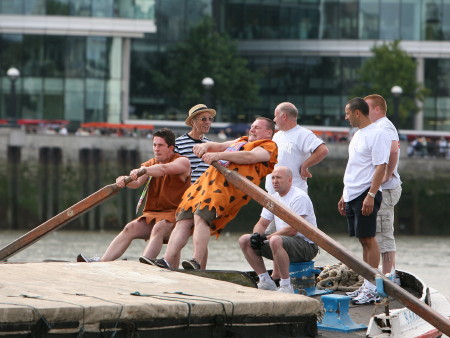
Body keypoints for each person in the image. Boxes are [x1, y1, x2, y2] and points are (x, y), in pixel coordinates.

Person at [149, 117, 278, 270]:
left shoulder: (268, 146)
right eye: (252, 126)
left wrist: (218, 155)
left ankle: (196, 260)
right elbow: (218, 145)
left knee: (201, 216)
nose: (252, 129)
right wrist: (205, 147)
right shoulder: (242, 141)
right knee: (183, 219)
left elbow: (251, 156)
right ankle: (167, 260)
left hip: (228, 187)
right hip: (205, 183)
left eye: (257, 127)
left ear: (269, 132)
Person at [77, 128, 191, 263]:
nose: (156, 149)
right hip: (154, 214)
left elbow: (163, 169)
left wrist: (142, 170)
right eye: (154, 145)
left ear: (171, 148)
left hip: (177, 216)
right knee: (130, 228)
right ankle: (102, 262)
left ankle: (145, 264)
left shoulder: (182, 162)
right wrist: (124, 180)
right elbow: (136, 183)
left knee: (159, 228)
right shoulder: (151, 163)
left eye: (160, 145)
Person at [337, 97, 390, 305]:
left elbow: (381, 166)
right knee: (362, 239)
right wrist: (344, 193)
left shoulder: (377, 134)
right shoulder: (358, 135)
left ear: (357, 112)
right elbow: (355, 166)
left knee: (369, 238)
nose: (346, 117)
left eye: (348, 113)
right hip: (352, 192)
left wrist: (370, 195)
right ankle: (366, 284)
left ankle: (371, 287)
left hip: (365, 193)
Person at [239, 166, 319, 294]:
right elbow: (261, 223)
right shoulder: (273, 198)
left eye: (279, 178)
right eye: (273, 178)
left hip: (306, 246)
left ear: (289, 180)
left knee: (275, 240)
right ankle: (265, 280)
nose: (275, 181)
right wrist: (256, 236)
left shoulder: (299, 197)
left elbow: (293, 229)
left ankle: (286, 285)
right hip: (282, 242)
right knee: (245, 240)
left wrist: (267, 238)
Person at [365, 94, 402, 279]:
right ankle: (386, 273)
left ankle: (388, 275)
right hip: (383, 188)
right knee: (379, 231)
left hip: (386, 189)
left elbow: (393, 149)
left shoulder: (384, 126)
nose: (364, 112)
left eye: (367, 108)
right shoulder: (379, 127)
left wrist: (387, 174)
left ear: (377, 109)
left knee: (384, 232)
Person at [265, 102, 328, 194]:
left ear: (284, 116)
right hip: (272, 193)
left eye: (275, 116)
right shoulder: (276, 135)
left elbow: (323, 150)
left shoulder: (303, 134)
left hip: (294, 193)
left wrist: (305, 166)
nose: (274, 120)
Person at [175, 104, 215, 183]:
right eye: (204, 119)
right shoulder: (177, 144)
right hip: (187, 193)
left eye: (210, 119)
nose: (208, 122)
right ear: (193, 122)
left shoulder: (213, 145)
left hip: (207, 192)